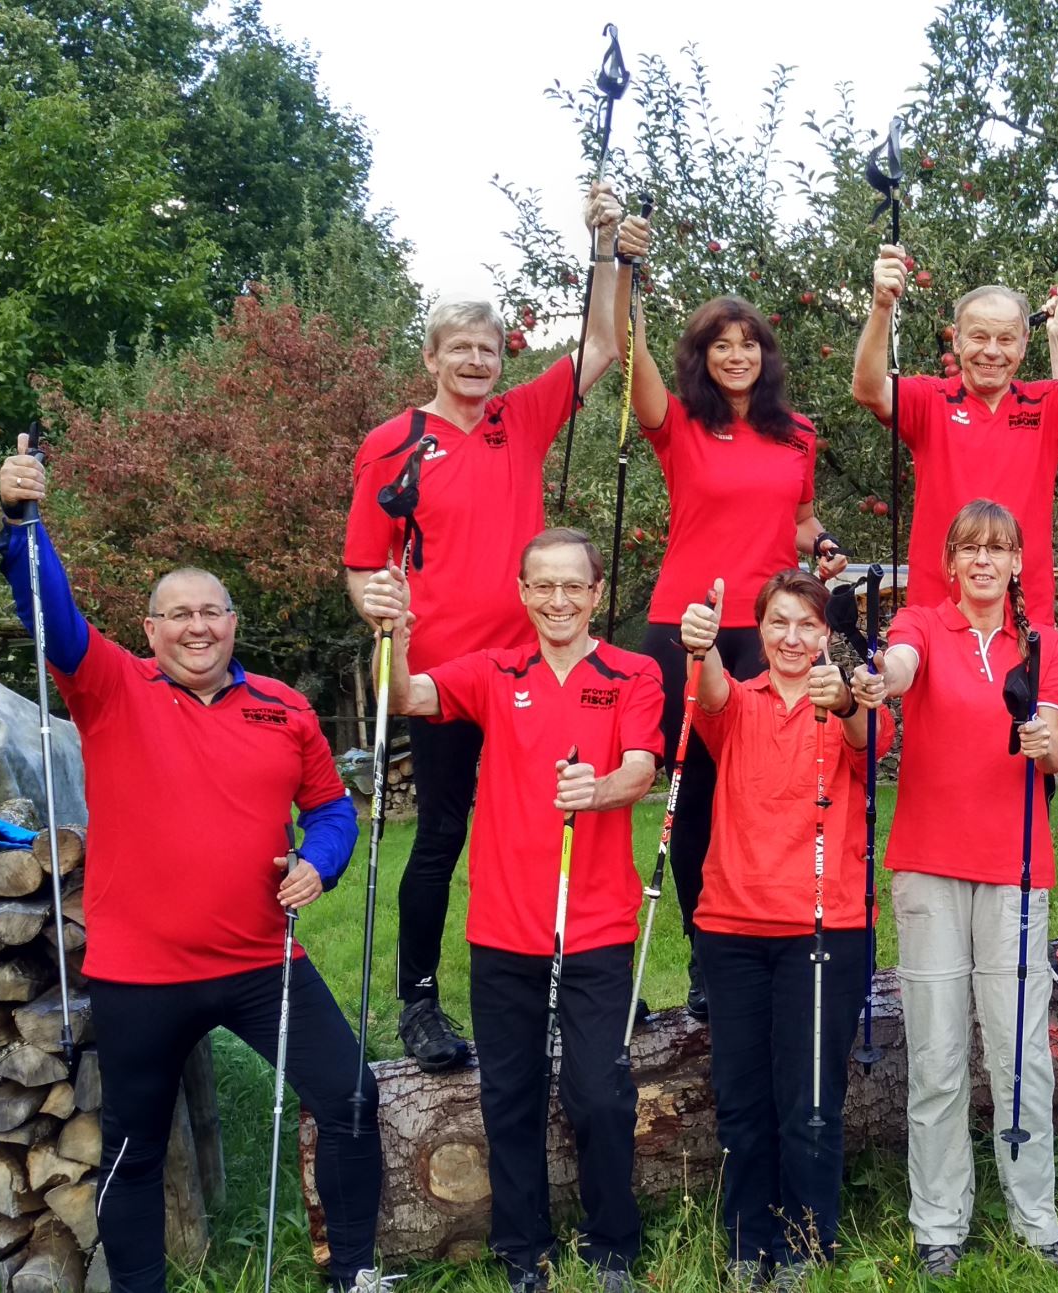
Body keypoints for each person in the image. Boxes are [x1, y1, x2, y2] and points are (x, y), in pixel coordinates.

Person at [0, 435, 383, 1293]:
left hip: (260, 962)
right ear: (151, 628)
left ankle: (354, 1271)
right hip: (142, 972)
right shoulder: (110, 686)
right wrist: (22, 518)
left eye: (212, 612)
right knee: (131, 1147)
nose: (197, 627)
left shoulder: (284, 707)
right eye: (178, 614)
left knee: (354, 1098)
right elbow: (49, 609)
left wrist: (320, 862)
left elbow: (329, 807)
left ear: (233, 622)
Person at [343, 185, 646, 1071]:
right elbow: (366, 562)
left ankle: (555, 984)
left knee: (538, 828)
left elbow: (601, 344)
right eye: (459, 349)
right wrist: (375, 604)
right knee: (439, 836)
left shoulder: (521, 417)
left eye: (489, 348)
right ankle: (420, 1001)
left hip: (530, 670)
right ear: (431, 356)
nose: (476, 361)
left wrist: (603, 254)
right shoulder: (392, 442)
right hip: (441, 676)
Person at [368, 529, 662, 1293]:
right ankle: (524, 1249)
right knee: (511, 1094)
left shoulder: (631, 671)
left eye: (574, 586)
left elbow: (640, 766)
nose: (558, 599)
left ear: (597, 593)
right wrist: (396, 632)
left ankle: (611, 1243)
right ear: (524, 593)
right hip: (503, 927)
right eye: (543, 586)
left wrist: (595, 788)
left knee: (599, 1091)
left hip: (595, 926)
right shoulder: (495, 670)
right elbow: (405, 696)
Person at [622, 221, 849, 1019]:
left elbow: (801, 521)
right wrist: (628, 275)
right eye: (720, 345)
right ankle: (706, 957)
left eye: (748, 343)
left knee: (759, 793)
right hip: (688, 625)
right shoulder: (679, 422)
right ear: (703, 357)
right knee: (692, 795)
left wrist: (821, 547)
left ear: (765, 354)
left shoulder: (798, 435)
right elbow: (632, 361)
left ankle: (770, 933)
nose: (736, 356)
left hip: (769, 630)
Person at [848, 500, 1058, 1279]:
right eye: (970, 547)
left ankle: (1035, 1215)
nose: (984, 560)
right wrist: (882, 678)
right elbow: (900, 667)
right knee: (940, 1054)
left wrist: (1050, 743)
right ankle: (939, 1218)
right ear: (950, 562)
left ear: (1018, 562)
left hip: (1015, 867)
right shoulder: (919, 622)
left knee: (1021, 1055)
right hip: (928, 868)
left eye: (999, 548)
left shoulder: (1041, 641)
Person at [677, 570, 893, 1289]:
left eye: (807, 624)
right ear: (760, 629)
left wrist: (853, 697)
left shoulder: (849, 698)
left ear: (825, 633)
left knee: (808, 1102)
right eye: (779, 623)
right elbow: (706, 687)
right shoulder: (735, 701)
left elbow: (870, 737)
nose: (793, 637)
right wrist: (699, 642)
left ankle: (804, 1246)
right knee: (741, 1099)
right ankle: (748, 1241)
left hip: (823, 932)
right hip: (730, 930)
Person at [850, 250, 1058, 623]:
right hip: (937, 617)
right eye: (979, 336)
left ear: (1024, 345)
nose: (992, 351)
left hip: (1025, 616)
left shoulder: (1047, 404)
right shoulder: (930, 399)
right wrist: (881, 306)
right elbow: (868, 389)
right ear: (956, 341)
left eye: (1006, 339)